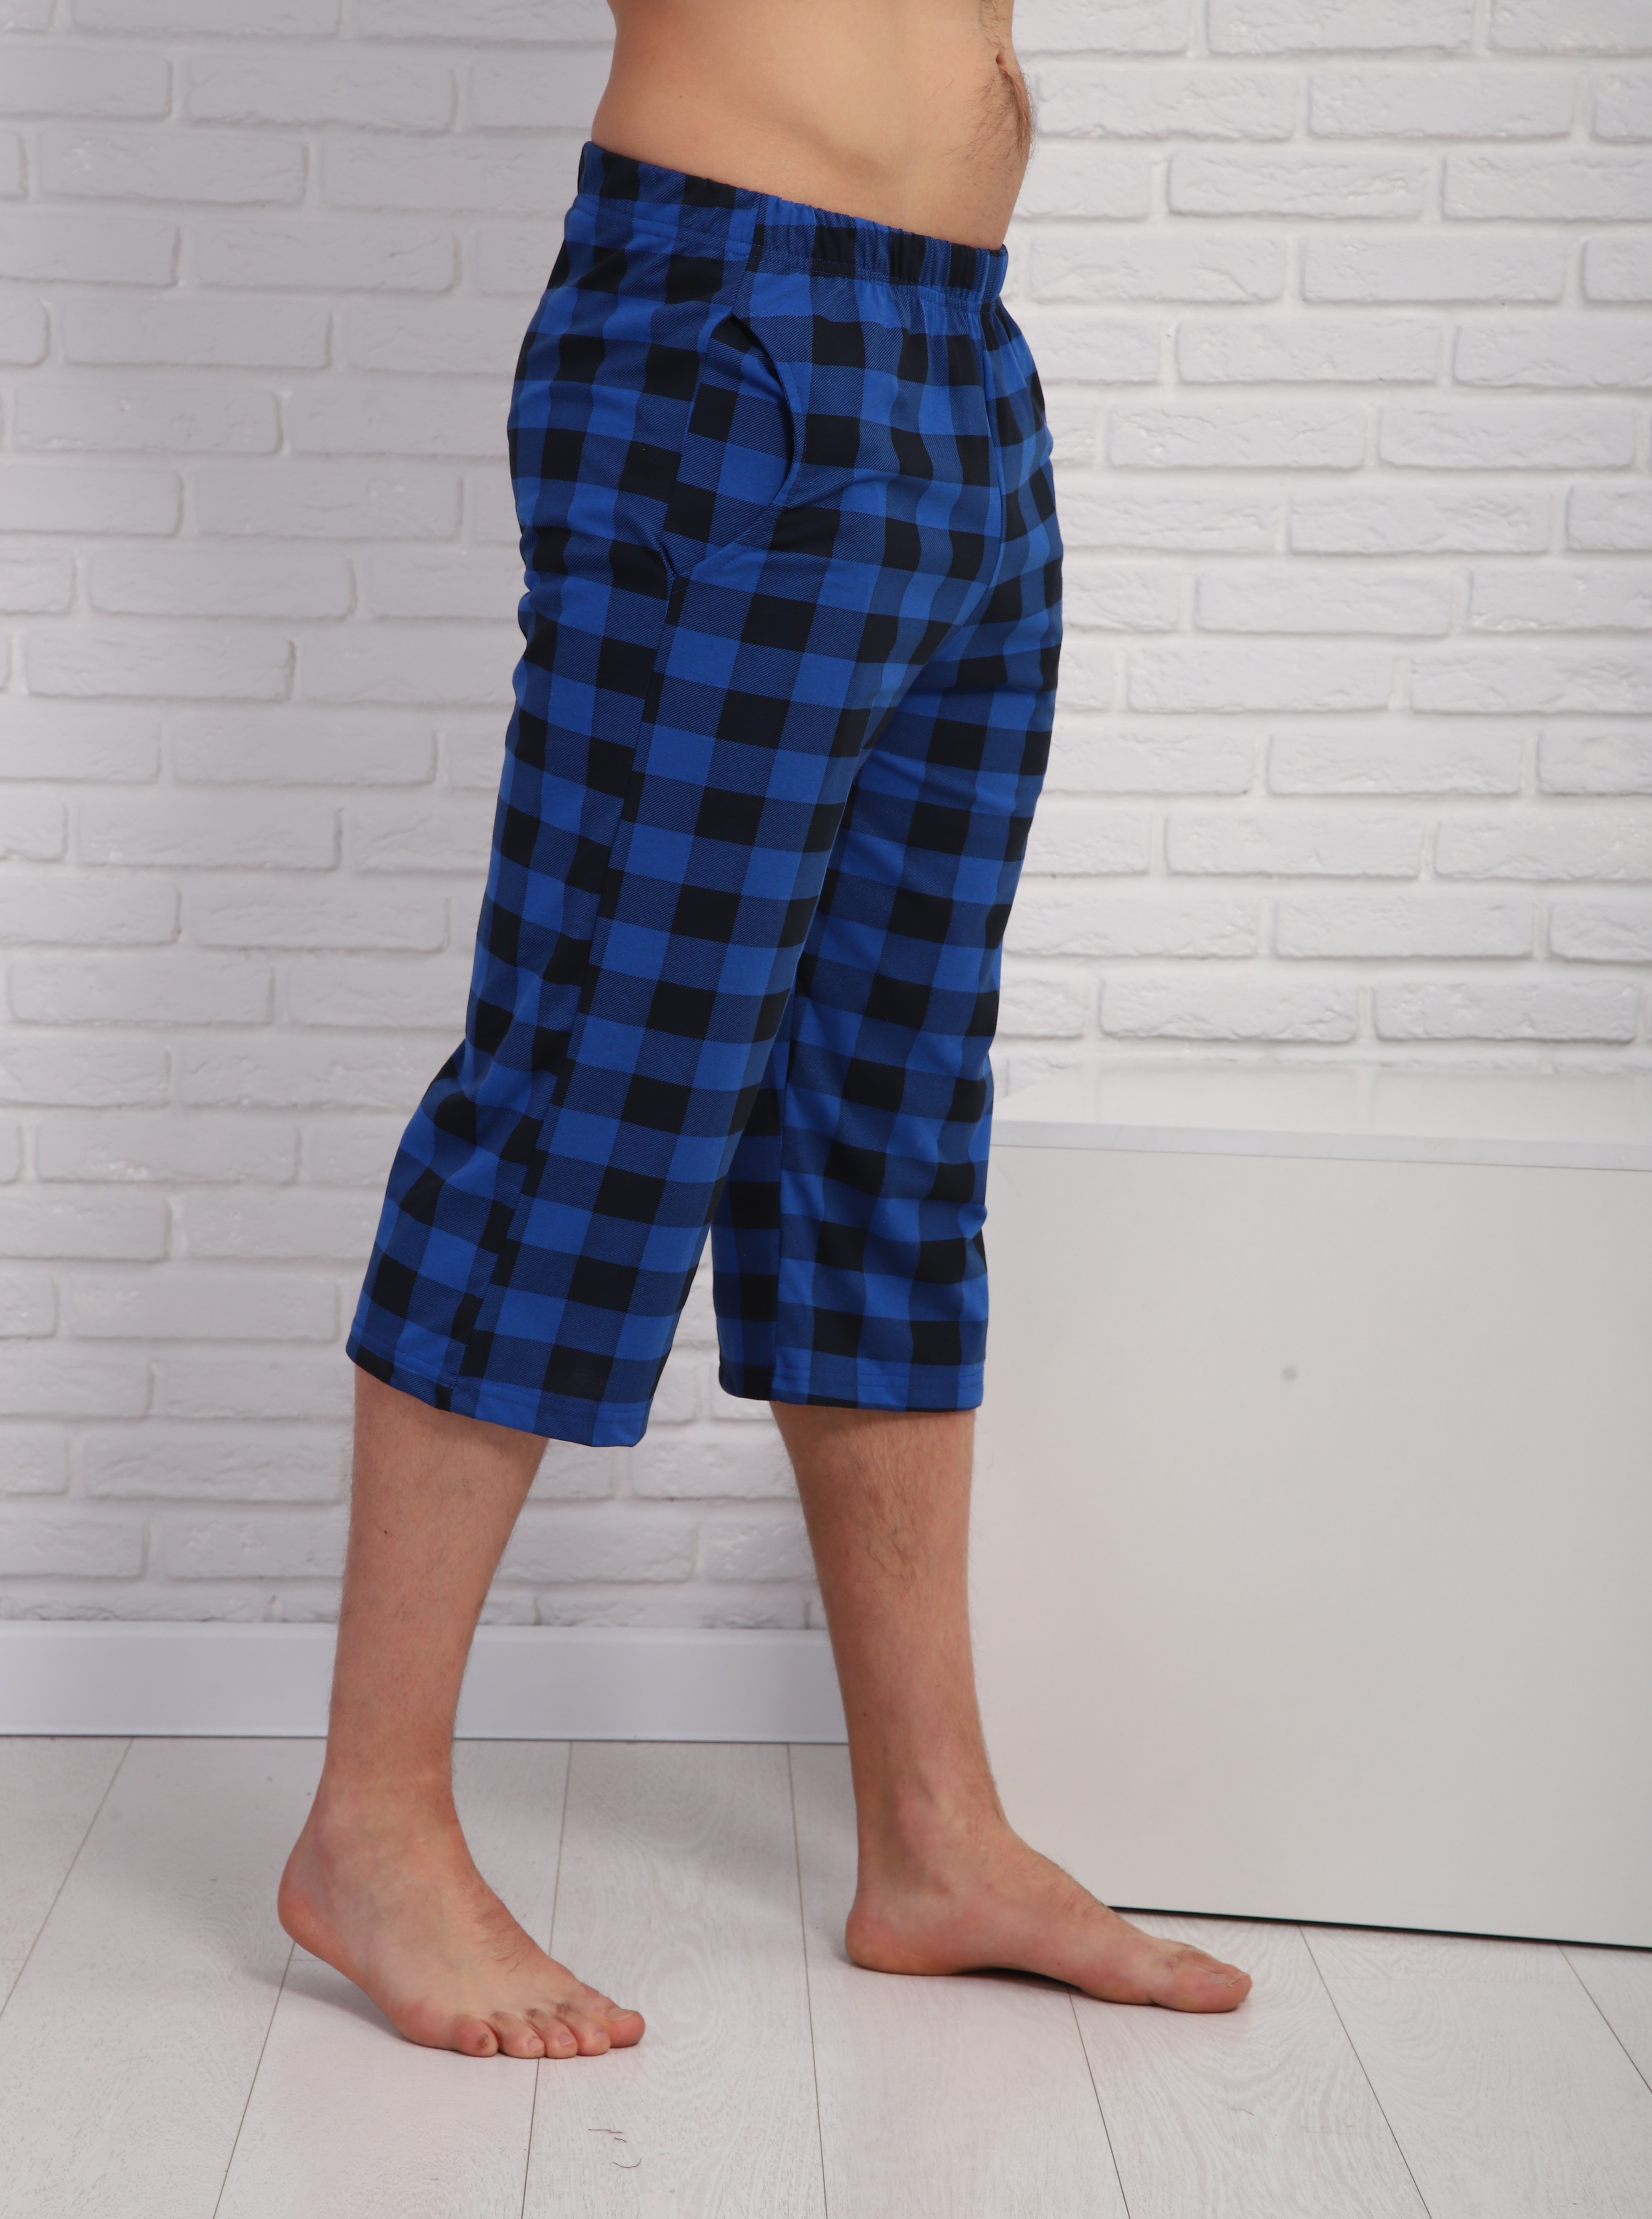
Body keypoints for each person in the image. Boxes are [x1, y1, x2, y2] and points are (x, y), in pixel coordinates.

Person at [277, 0, 1252, 2060]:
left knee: (885, 1119)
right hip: (735, 325)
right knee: (590, 1079)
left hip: (959, 353)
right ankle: (369, 1828)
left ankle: (935, 1837)